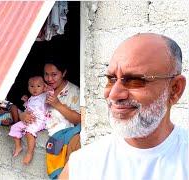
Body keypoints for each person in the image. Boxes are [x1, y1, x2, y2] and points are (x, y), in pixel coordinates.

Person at [60, 33, 188, 180]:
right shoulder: (82, 166)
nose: (113, 94)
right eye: (111, 79)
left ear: (174, 89)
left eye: (134, 80)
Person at [19, 59, 82, 162]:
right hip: (39, 143)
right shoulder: (40, 86)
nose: (49, 79)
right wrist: (23, 115)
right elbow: (30, 104)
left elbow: (79, 119)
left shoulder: (74, 92)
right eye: (46, 74)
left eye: (54, 74)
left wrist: (58, 105)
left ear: (64, 73)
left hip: (60, 144)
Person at [9, 76, 49, 165]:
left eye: (38, 86)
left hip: (39, 121)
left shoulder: (44, 95)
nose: (35, 89)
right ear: (28, 87)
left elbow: (52, 94)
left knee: (29, 132)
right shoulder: (31, 98)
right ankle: (18, 146)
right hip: (28, 120)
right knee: (14, 127)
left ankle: (29, 152)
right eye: (32, 86)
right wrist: (25, 101)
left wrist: (47, 89)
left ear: (44, 86)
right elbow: (28, 108)